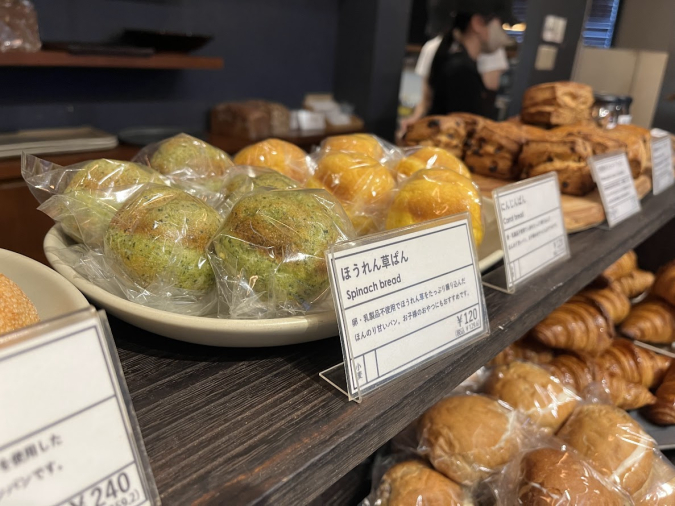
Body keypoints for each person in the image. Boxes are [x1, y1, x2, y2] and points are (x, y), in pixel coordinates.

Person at [399, 0, 513, 134]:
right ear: (477, 23)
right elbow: (463, 131)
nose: (502, 31)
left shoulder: (457, 61)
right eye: (499, 23)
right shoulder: (462, 72)